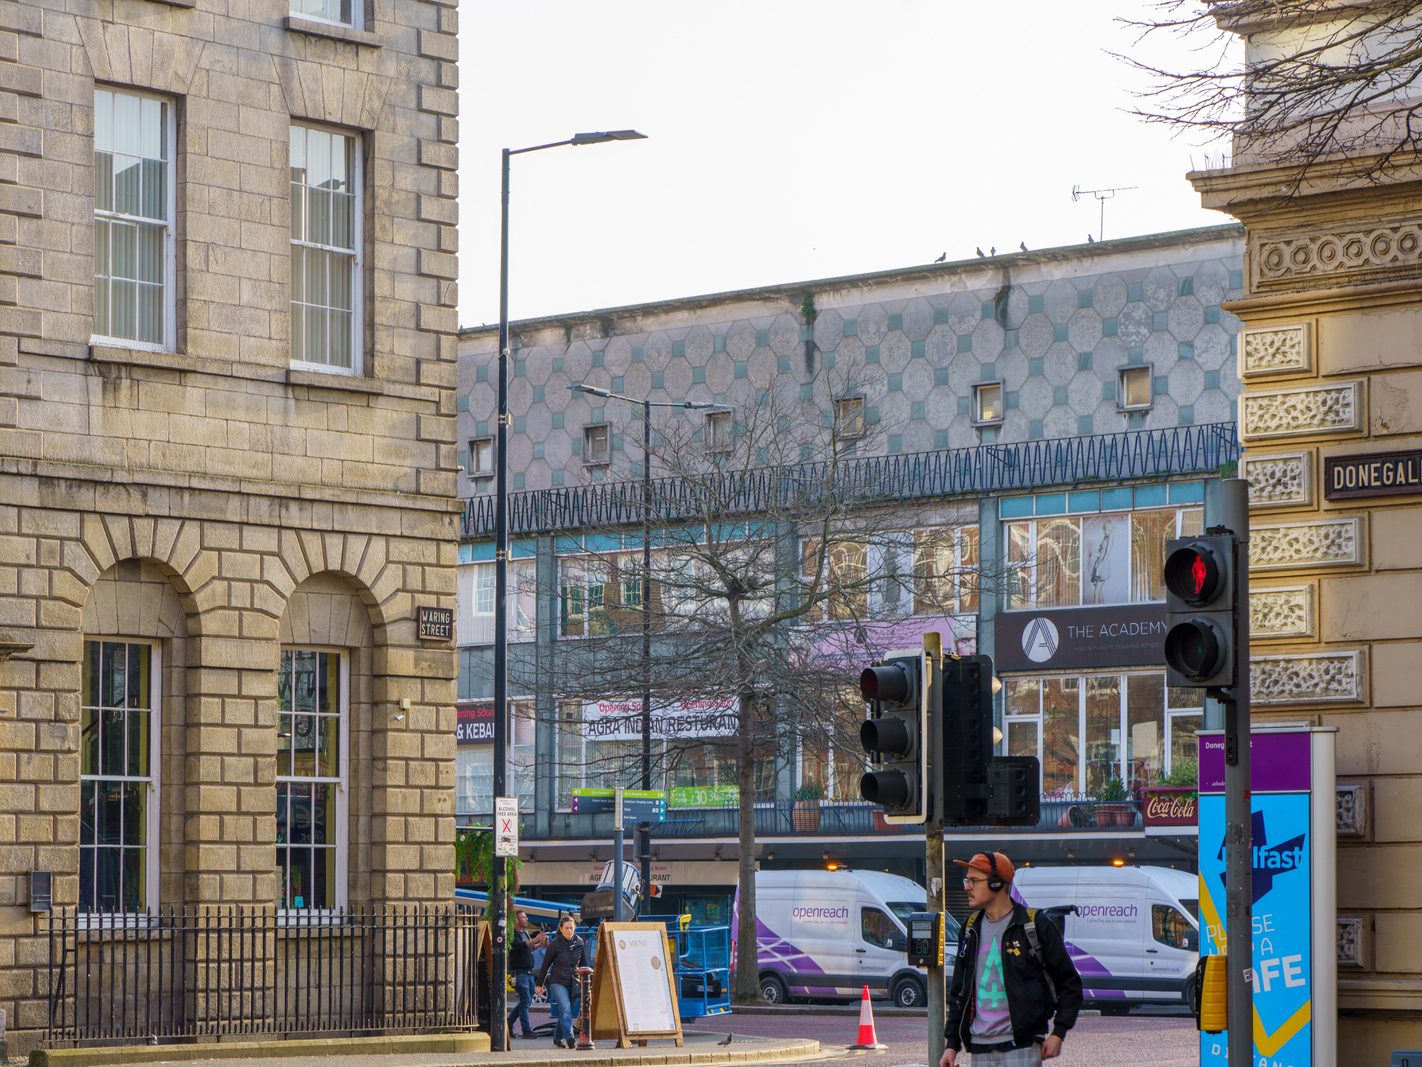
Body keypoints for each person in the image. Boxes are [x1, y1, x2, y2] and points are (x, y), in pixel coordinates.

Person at [940, 851, 1082, 1067]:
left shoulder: (1035, 926)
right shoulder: (969, 929)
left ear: (997, 883)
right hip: (979, 1049)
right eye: (966, 880)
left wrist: (1058, 1032)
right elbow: (959, 992)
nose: (966, 887)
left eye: (974, 881)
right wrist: (951, 1044)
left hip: (1021, 1048)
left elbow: (1070, 983)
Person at [536, 914, 586, 1049]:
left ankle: (557, 1039)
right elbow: (545, 965)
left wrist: (586, 983)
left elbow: (584, 965)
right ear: (561, 929)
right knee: (565, 1009)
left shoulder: (580, 943)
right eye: (567, 928)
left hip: (573, 981)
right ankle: (569, 1037)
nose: (569, 931)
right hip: (557, 981)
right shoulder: (554, 945)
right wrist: (539, 985)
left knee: (566, 1011)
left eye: (572, 928)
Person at [507, 911, 548, 1039]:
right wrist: (535, 940)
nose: (526, 919)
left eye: (526, 917)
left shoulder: (525, 933)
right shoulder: (512, 934)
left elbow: (529, 947)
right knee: (525, 1000)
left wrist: (540, 944)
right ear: (516, 920)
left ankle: (509, 1022)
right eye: (523, 917)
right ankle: (526, 1030)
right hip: (520, 973)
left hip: (528, 973)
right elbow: (519, 946)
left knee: (526, 1001)